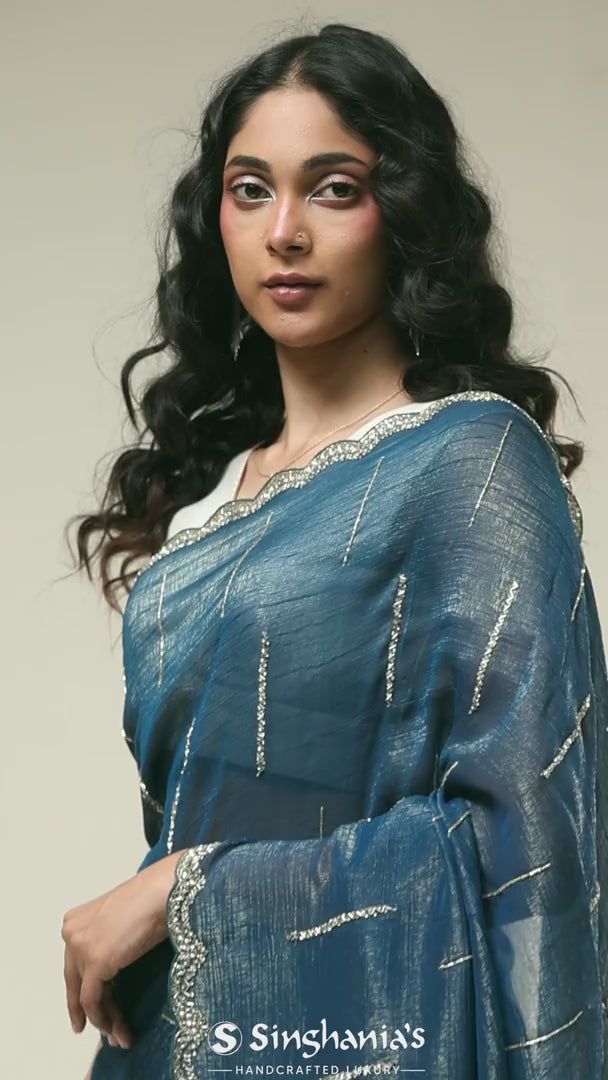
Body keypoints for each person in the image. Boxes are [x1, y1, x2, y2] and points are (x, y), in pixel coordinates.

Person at [63, 20, 607, 1080]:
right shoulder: (200, 513)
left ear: (402, 213)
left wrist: (187, 890)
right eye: (250, 190)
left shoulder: (470, 464)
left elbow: (532, 838)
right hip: (171, 1042)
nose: (285, 232)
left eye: (334, 189)